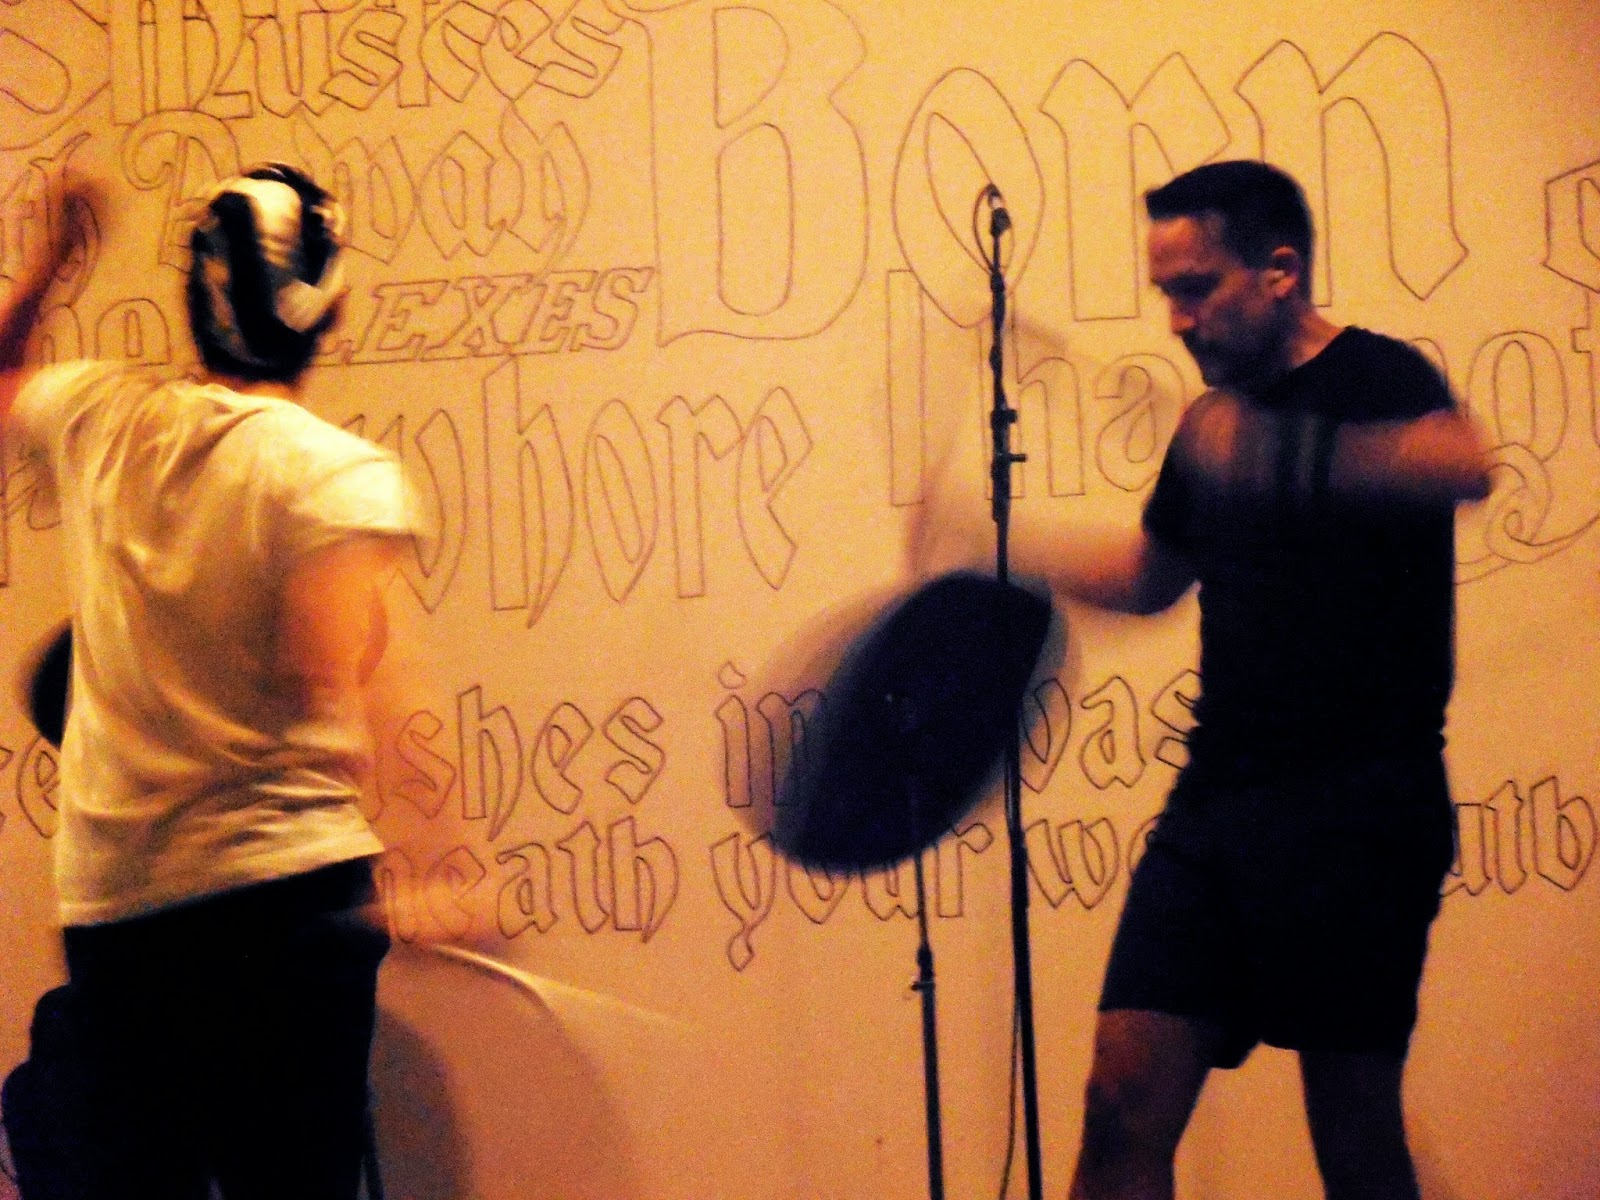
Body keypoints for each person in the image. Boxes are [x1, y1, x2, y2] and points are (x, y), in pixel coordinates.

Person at [919, 159, 1489, 1200]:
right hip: (1216, 809)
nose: (1178, 320)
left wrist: (1272, 456)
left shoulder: (1378, 377)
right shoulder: (1210, 423)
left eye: (1196, 288)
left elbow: (1464, 464)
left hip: (1362, 812)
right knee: (1119, 1104)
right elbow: (1150, 578)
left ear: (1280, 271)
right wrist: (997, 546)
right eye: (1166, 294)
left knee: (1353, 1137)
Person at [0, 164, 413, 1199]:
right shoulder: (331, 473)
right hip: (289, 908)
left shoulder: (100, 419)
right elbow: (330, 673)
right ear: (326, 308)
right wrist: (432, 858)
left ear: (193, 297)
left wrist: (52, 261)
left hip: (121, 911)